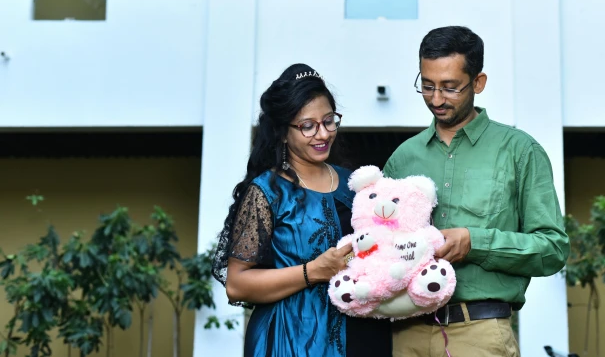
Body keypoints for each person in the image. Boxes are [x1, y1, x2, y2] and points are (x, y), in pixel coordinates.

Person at [383, 26, 569, 357]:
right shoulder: (403, 158)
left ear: (478, 83)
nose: (436, 99)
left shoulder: (519, 151)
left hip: (480, 333)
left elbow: (552, 248)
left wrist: (475, 242)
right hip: (406, 332)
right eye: (427, 86)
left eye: (450, 88)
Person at [212, 63, 392, 357]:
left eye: (329, 121)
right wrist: (313, 272)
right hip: (290, 339)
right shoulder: (266, 192)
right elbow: (237, 284)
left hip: (364, 335)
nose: (322, 134)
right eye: (308, 126)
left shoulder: (355, 184)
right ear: (283, 133)